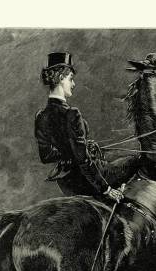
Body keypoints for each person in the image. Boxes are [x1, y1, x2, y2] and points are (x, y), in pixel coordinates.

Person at [34, 52, 127, 202]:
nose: (73, 84)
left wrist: (70, 152)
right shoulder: (72, 113)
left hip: (68, 183)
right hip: (88, 179)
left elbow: (45, 157)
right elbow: (83, 161)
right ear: (60, 78)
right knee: (137, 161)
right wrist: (106, 189)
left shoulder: (41, 116)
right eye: (71, 79)